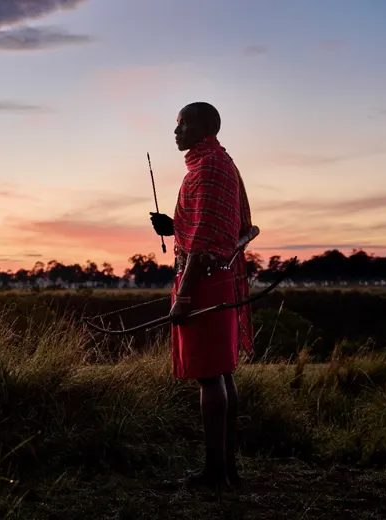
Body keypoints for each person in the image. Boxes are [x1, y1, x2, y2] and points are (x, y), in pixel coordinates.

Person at [149, 101, 255, 490]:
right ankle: (226, 469)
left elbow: (205, 241)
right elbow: (203, 229)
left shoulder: (209, 168)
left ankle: (213, 474)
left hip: (203, 283)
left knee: (210, 377)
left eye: (181, 124)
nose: (175, 131)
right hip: (216, 280)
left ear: (204, 127)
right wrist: (173, 226)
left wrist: (185, 297)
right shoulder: (219, 165)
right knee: (221, 374)